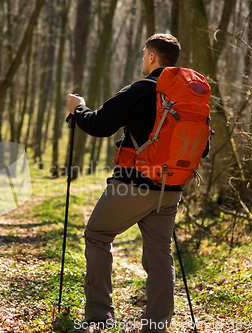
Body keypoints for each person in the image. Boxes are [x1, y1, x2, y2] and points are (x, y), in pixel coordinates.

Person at [67, 34, 195, 333]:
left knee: (97, 236)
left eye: (143, 54)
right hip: (170, 189)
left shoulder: (140, 90)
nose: (141, 59)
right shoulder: (187, 96)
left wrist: (78, 109)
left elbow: (99, 124)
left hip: (133, 186)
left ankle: (99, 316)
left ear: (152, 57)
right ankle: (156, 324)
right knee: (159, 251)